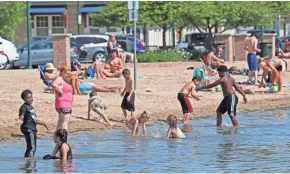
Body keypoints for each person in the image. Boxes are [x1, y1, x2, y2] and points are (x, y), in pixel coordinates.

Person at [17, 89, 49, 158]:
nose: (30, 99)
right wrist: (20, 119)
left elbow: (34, 119)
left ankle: (28, 162)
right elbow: (21, 116)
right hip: (28, 128)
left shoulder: (31, 107)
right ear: (24, 99)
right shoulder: (24, 107)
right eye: (28, 98)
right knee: (32, 147)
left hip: (32, 128)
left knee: (32, 147)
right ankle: (29, 163)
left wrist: (43, 123)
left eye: (31, 97)